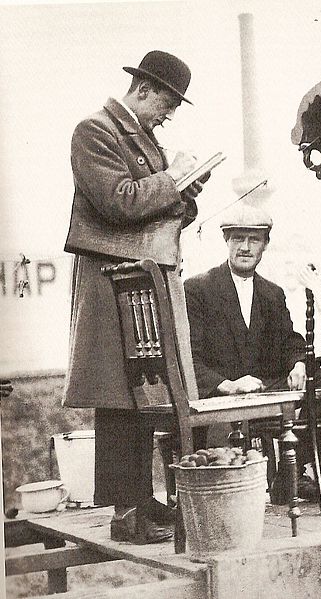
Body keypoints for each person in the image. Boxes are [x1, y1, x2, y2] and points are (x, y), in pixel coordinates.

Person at [63, 51, 210, 544]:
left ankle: (141, 500)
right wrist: (173, 180)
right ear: (143, 90)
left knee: (145, 389)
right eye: (166, 104)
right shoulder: (94, 131)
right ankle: (126, 513)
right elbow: (119, 200)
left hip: (142, 275)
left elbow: (156, 211)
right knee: (118, 392)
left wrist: (185, 192)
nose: (167, 116)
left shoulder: (144, 140)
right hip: (111, 280)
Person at [184, 203, 321, 500]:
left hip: (263, 387)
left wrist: (297, 364)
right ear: (226, 242)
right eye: (237, 239)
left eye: (253, 240)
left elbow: (290, 341)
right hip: (220, 389)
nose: (245, 247)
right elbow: (189, 356)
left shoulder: (272, 292)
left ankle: (292, 473)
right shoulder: (198, 289)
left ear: (265, 245)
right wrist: (227, 384)